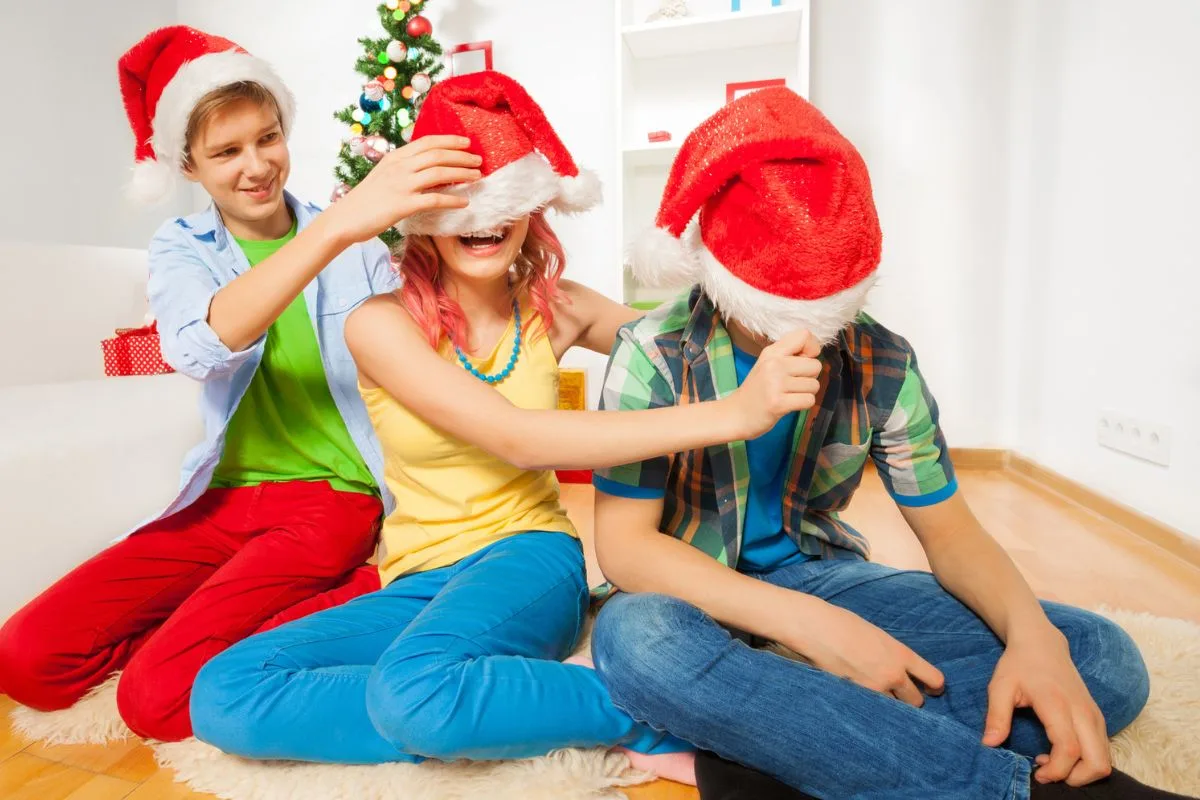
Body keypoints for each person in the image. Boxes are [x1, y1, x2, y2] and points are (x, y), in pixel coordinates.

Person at [186, 72, 813, 778]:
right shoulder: (379, 324)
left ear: (531, 205)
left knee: (413, 693)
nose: (478, 221)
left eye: (497, 199)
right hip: (417, 576)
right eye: (456, 203)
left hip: (529, 556)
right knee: (222, 694)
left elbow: (693, 345)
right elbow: (514, 434)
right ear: (423, 214)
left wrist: (770, 286)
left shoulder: (561, 306)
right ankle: (535, 699)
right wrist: (727, 416)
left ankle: (635, 709)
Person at [588, 87, 1188, 800]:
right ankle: (994, 786)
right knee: (636, 643)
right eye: (769, 318)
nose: (798, 340)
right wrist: (812, 630)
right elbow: (626, 550)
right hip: (688, 593)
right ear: (718, 274)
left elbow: (952, 534)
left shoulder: (882, 362)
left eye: (823, 319)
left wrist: (1032, 638)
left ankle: (772, 749)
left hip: (821, 573)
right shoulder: (650, 352)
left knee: (1102, 660)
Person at [0, 25, 480, 742]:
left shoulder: (361, 250)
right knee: (26, 660)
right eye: (227, 152)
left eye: (268, 138)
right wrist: (337, 229)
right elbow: (196, 347)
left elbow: (422, 369)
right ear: (189, 165)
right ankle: (212, 622)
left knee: (155, 701)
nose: (257, 166)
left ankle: (367, 587)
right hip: (220, 500)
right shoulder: (183, 249)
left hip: (330, 503)